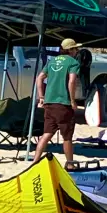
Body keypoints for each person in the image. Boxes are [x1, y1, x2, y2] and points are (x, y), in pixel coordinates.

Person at [31, 38, 83, 167]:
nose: (77, 51)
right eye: (75, 48)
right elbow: (72, 82)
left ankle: (35, 162)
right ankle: (70, 164)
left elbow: (40, 78)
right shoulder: (73, 62)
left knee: (47, 133)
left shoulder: (52, 61)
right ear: (70, 50)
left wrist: (41, 96)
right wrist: (72, 100)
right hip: (63, 103)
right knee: (67, 136)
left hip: (49, 102)